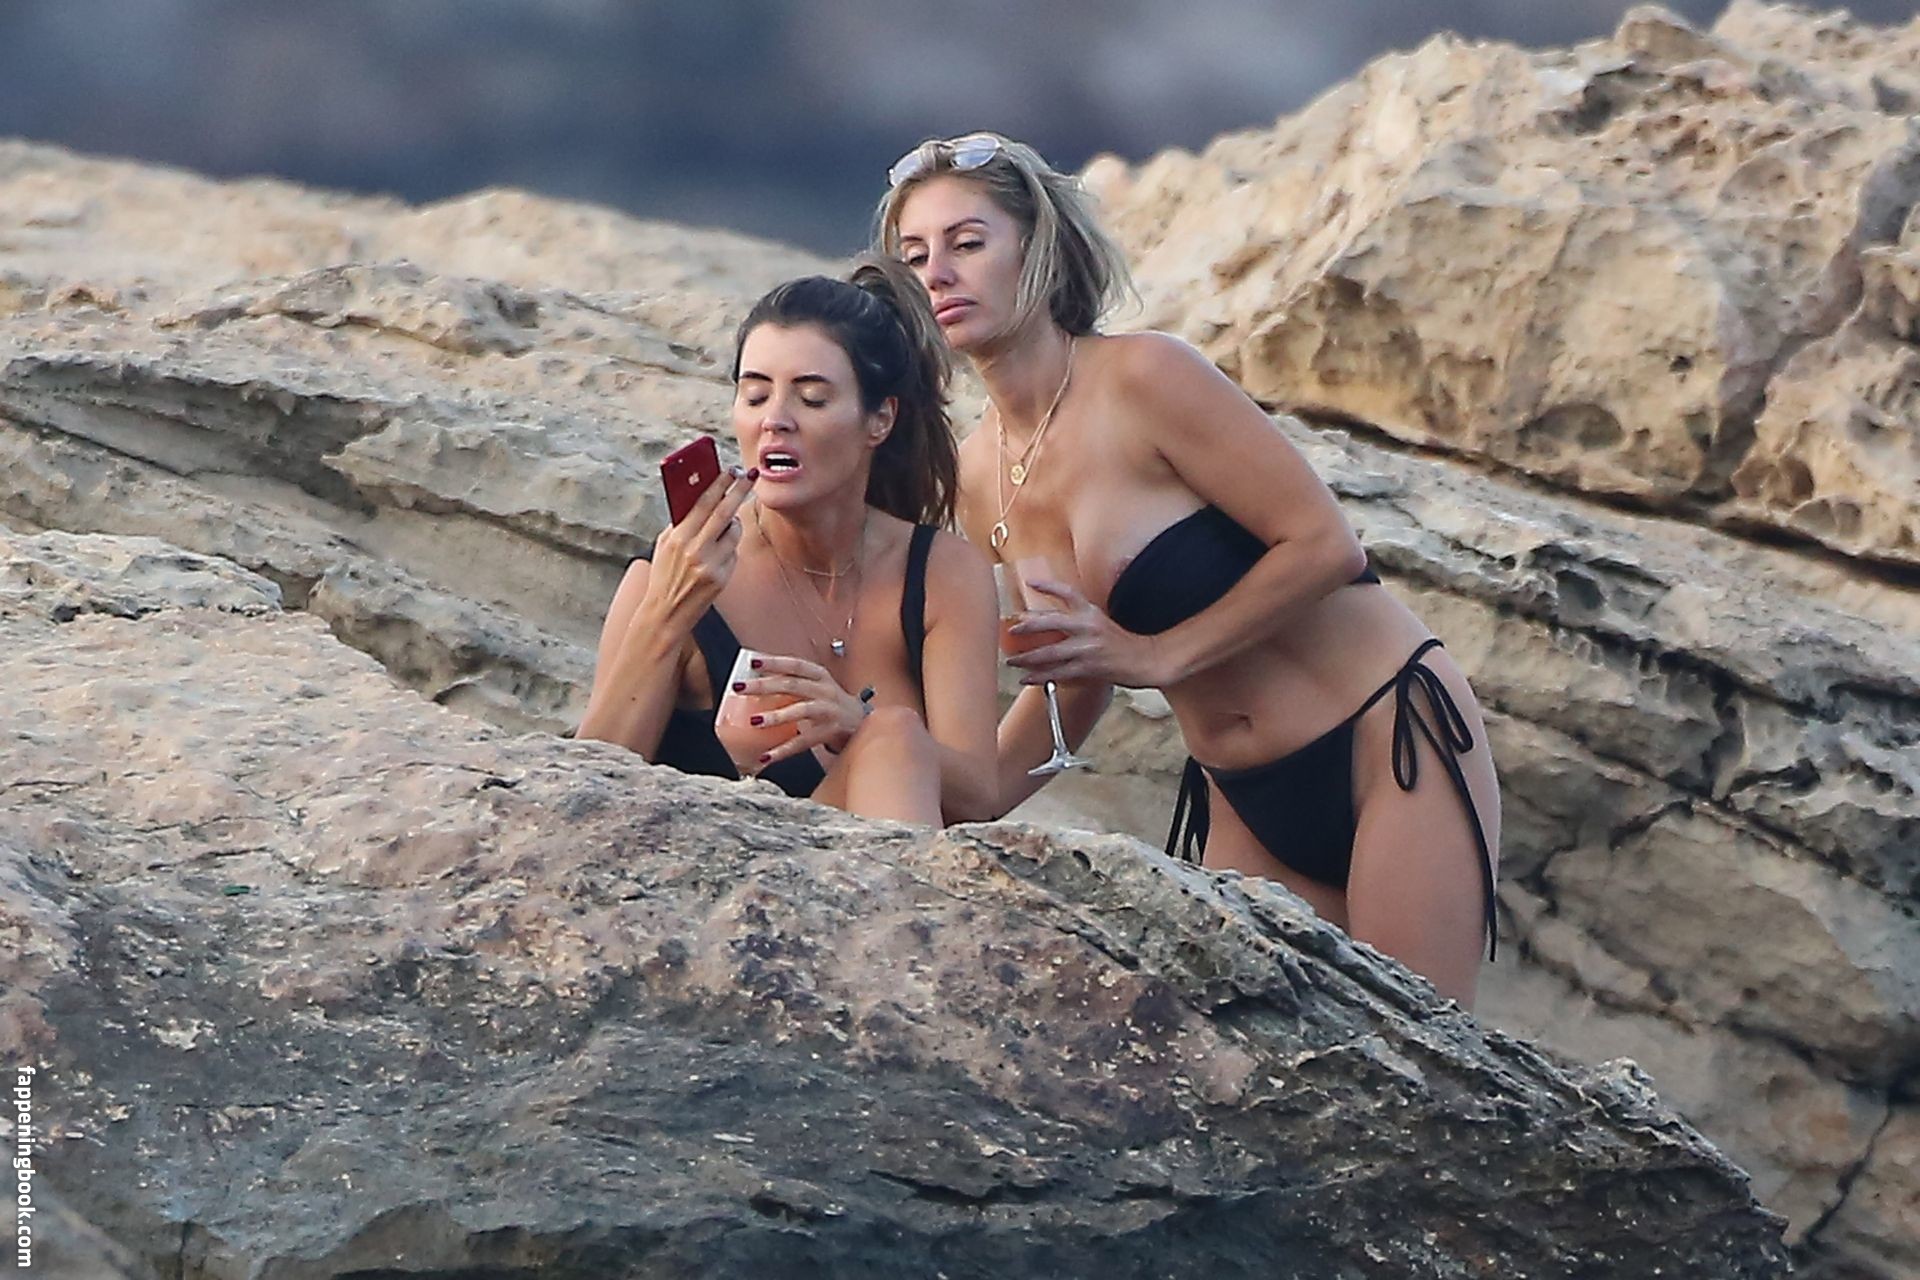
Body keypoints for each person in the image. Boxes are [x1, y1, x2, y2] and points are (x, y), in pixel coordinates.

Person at [875, 133, 1500, 1004]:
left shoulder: (1146, 377)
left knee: (1419, 1048)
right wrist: (940, 796)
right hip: (1240, 795)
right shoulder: (981, 474)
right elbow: (1073, 685)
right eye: (915, 256)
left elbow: (1324, 547)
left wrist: (1154, 656)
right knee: (1270, 1067)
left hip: (1386, 735)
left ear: (1039, 250)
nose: (938, 273)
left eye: (967, 243)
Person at [577, 257, 999, 827]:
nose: (775, 420)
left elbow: (978, 797)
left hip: (872, 864)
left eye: (812, 398)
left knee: (893, 735)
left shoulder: (941, 572)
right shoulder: (675, 574)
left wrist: (855, 725)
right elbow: (587, 790)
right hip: (711, 867)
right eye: (755, 396)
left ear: (879, 420)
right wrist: (667, 613)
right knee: (894, 733)